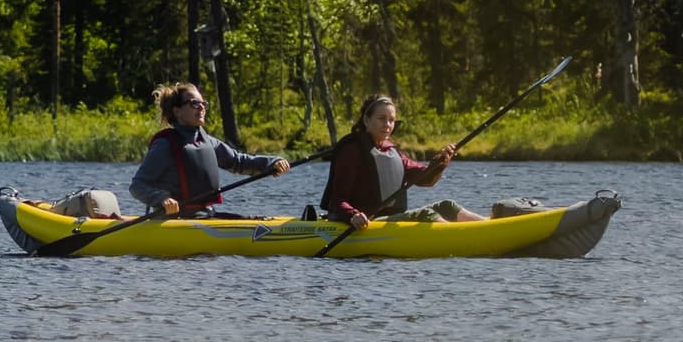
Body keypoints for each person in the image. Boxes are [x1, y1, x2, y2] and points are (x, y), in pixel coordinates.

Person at [128, 81, 287, 217]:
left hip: (204, 216)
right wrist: (161, 198)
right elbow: (138, 186)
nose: (201, 108)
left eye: (204, 104)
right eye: (194, 103)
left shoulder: (208, 142)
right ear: (177, 112)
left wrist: (272, 163)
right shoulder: (165, 144)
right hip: (171, 221)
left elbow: (239, 162)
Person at [319, 93, 474, 225]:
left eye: (391, 120)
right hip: (368, 223)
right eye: (382, 118)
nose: (387, 125)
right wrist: (352, 215)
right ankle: (467, 237)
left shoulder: (392, 151)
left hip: (389, 220)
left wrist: (439, 163)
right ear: (366, 120)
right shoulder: (352, 151)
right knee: (425, 214)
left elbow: (424, 179)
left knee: (448, 206)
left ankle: (489, 226)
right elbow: (337, 200)